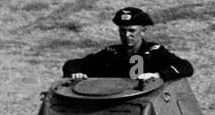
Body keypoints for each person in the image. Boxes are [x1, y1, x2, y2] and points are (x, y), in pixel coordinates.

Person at [62, 8, 194, 83]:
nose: (126, 35)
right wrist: (76, 73)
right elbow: (72, 65)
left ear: (142, 31)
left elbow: (186, 67)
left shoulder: (154, 52)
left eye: (132, 31)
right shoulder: (111, 53)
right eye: (123, 31)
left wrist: (157, 75)